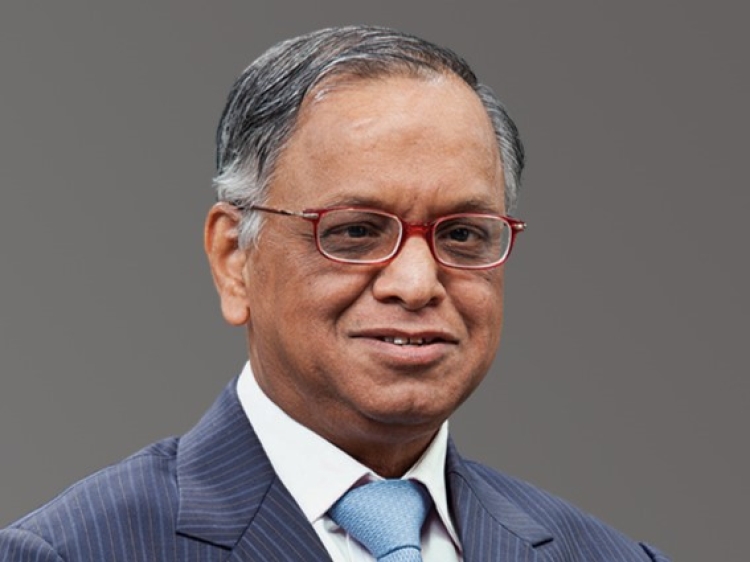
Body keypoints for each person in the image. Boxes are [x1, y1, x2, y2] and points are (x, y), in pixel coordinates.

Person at [0, 25, 670, 561]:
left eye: (463, 234)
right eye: (354, 231)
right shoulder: (75, 550)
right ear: (234, 259)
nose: (416, 283)